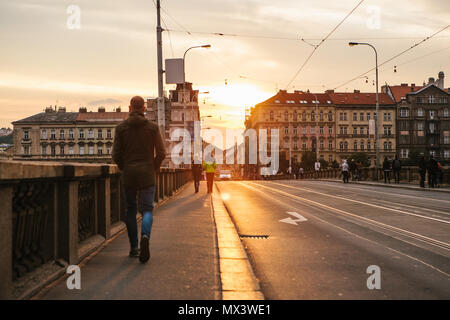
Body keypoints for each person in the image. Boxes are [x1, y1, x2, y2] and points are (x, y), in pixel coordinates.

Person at [113, 96, 165, 263]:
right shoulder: (152, 127)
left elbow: (116, 154)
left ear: (129, 108)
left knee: (130, 210)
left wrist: (124, 166)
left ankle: (134, 247)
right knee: (147, 210)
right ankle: (145, 236)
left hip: (129, 174)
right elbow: (162, 153)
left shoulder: (121, 128)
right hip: (147, 174)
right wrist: (153, 167)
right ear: (144, 108)